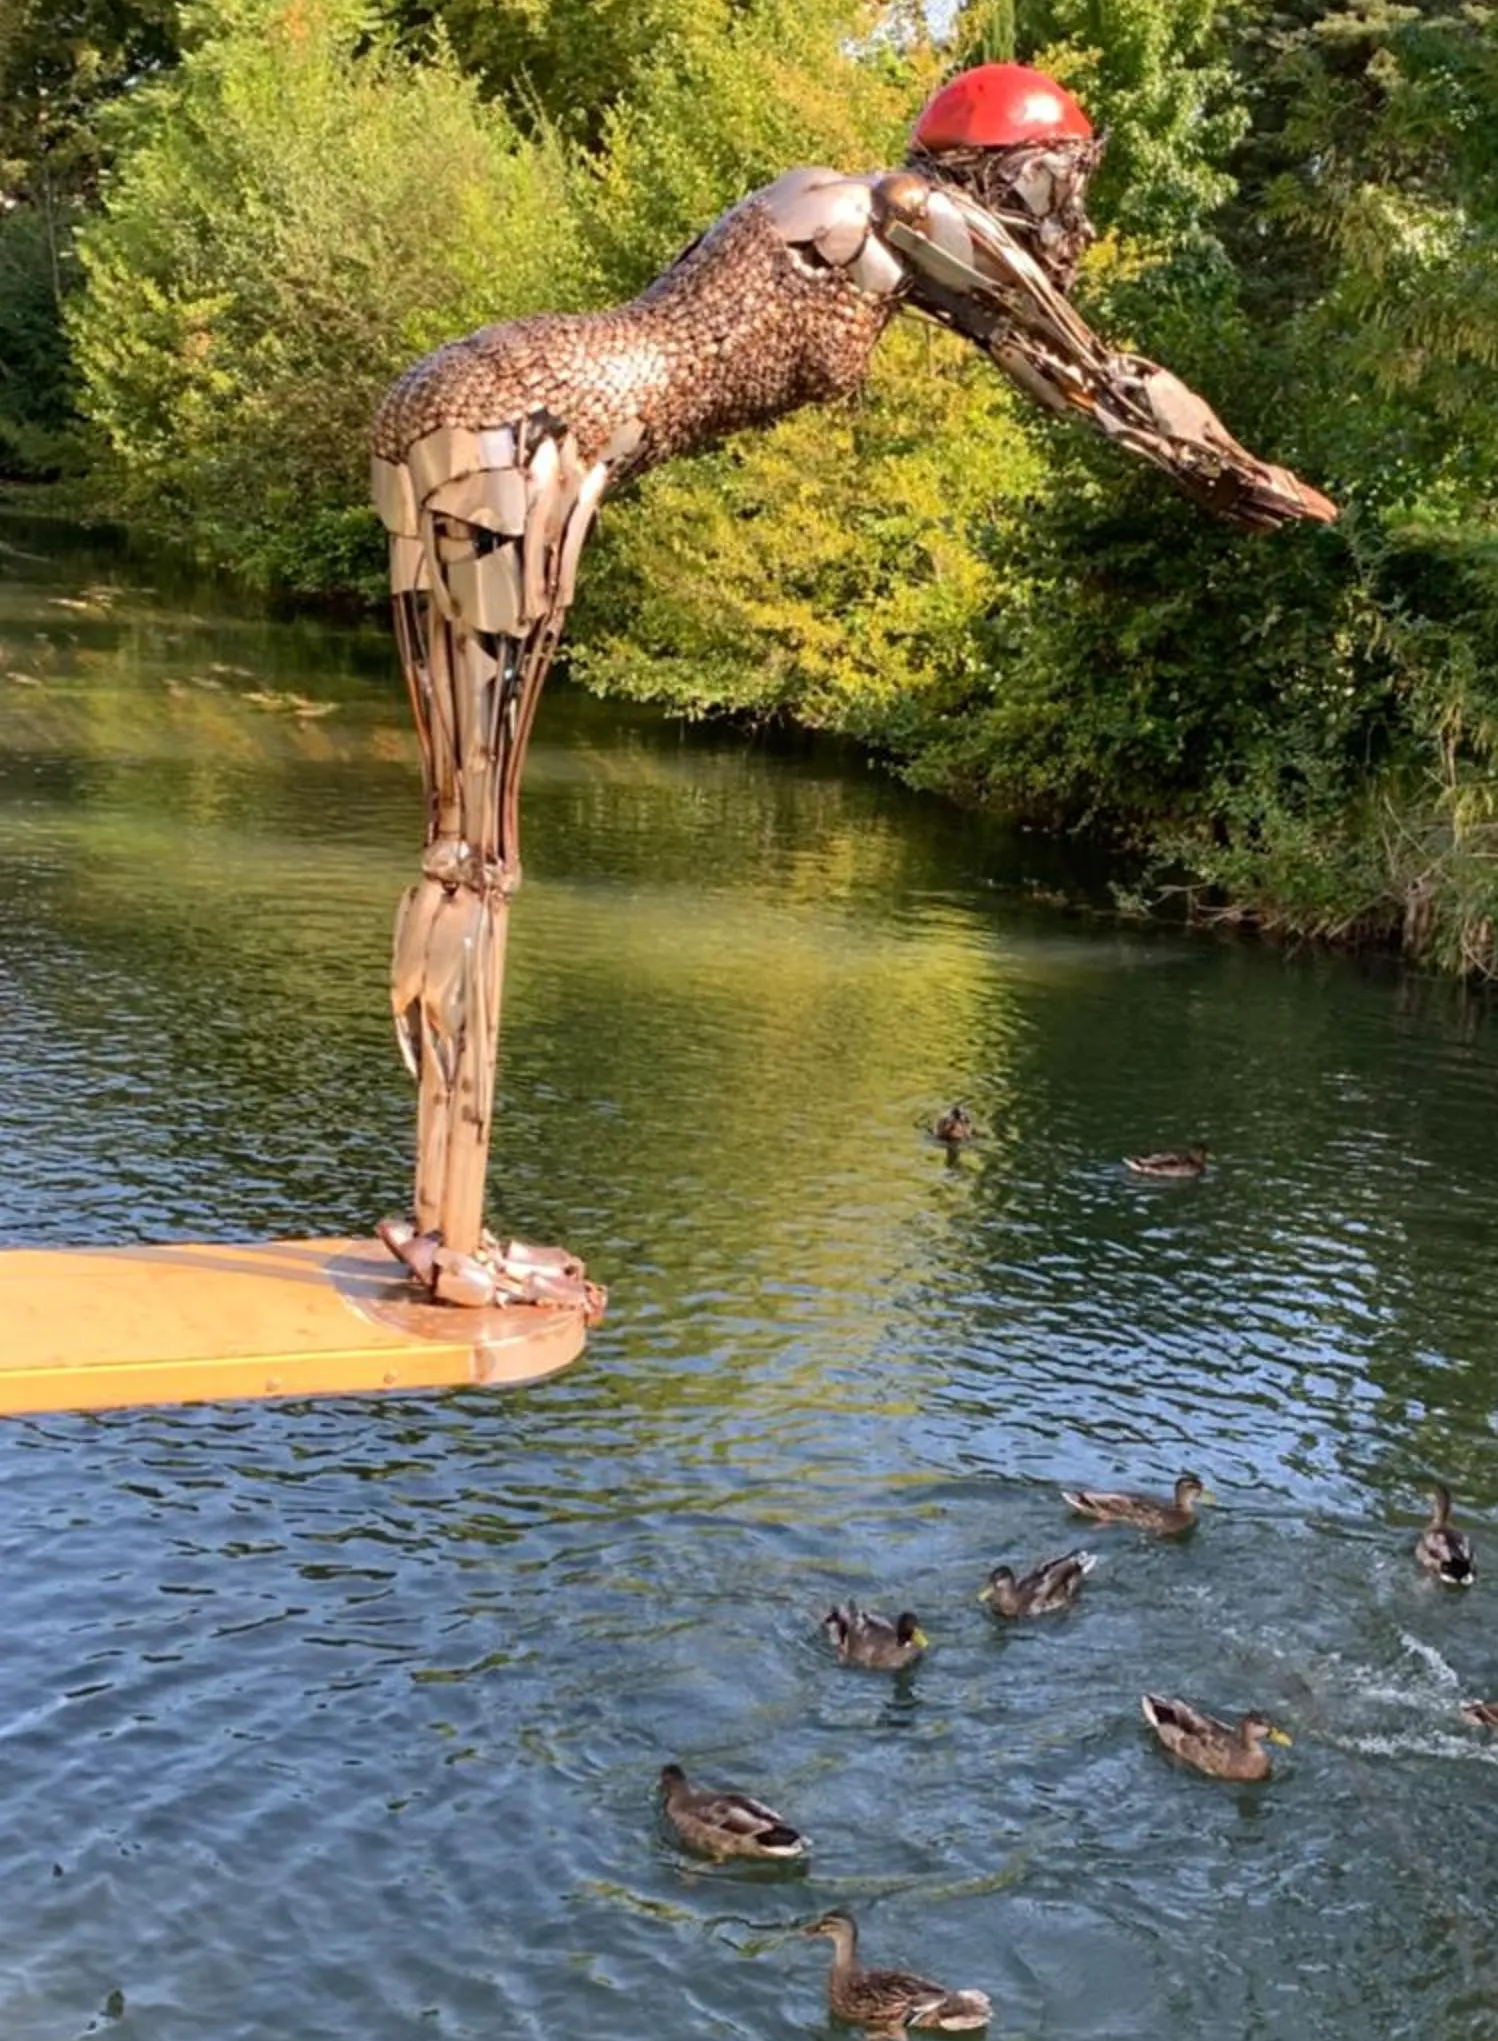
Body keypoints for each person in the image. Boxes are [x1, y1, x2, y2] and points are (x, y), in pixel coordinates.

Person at [371, 64, 1336, 1313]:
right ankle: (456, 1243)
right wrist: (1241, 476)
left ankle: (449, 1220)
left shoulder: (836, 213)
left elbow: (1038, 353)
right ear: (1013, 171)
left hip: (475, 398)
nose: (1075, 221)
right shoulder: (908, 210)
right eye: (1068, 183)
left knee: (464, 840)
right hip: (535, 429)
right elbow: (1093, 374)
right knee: (479, 849)